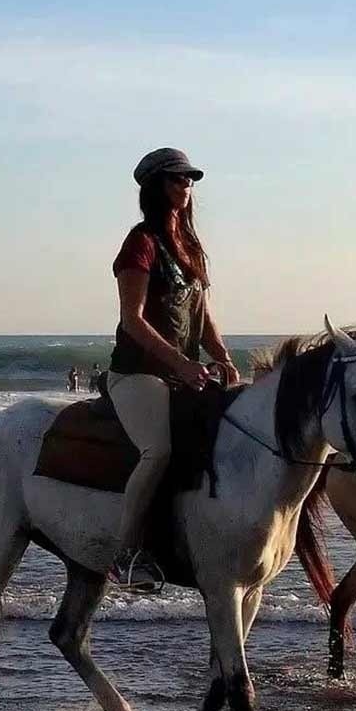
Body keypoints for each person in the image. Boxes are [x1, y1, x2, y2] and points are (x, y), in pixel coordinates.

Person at [108, 147, 241, 586]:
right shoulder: (140, 243)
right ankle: (126, 554)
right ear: (156, 187)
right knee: (158, 451)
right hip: (137, 374)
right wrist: (183, 365)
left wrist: (222, 356)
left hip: (182, 374)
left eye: (189, 180)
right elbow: (133, 319)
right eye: (177, 179)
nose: (186, 186)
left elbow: (203, 319)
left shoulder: (191, 247)